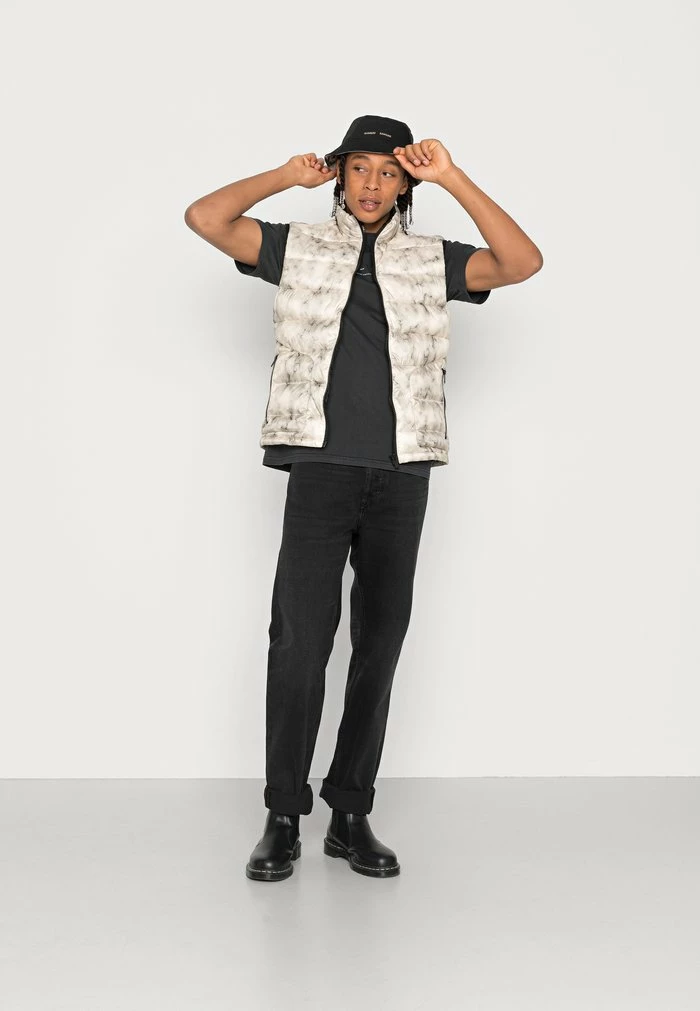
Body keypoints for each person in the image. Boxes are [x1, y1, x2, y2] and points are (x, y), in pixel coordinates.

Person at [185, 114, 543, 882]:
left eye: (389, 172)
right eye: (360, 169)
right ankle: (284, 813)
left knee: (379, 644)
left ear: (406, 184)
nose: (372, 184)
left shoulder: (432, 259)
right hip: (321, 467)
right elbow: (205, 218)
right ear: (340, 175)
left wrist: (452, 176)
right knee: (299, 642)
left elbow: (522, 262)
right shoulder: (297, 246)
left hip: (402, 472)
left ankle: (350, 813)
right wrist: (285, 176)